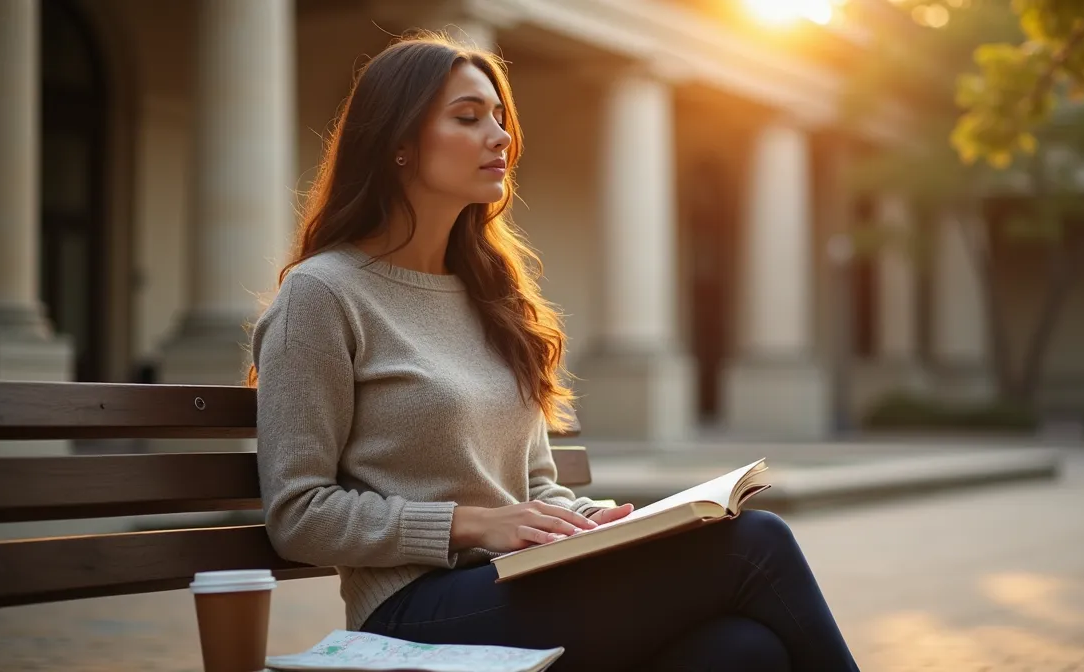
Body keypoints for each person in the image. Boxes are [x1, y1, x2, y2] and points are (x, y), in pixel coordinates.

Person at [250, 33, 861, 672]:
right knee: (756, 544)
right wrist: (472, 524)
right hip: (412, 611)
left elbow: (536, 485)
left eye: (499, 118)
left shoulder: (491, 295)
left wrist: (598, 522)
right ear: (397, 145)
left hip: (517, 583)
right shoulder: (324, 294)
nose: (500, 137)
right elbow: (298, 513)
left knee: (744, 650)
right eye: (467, 118)